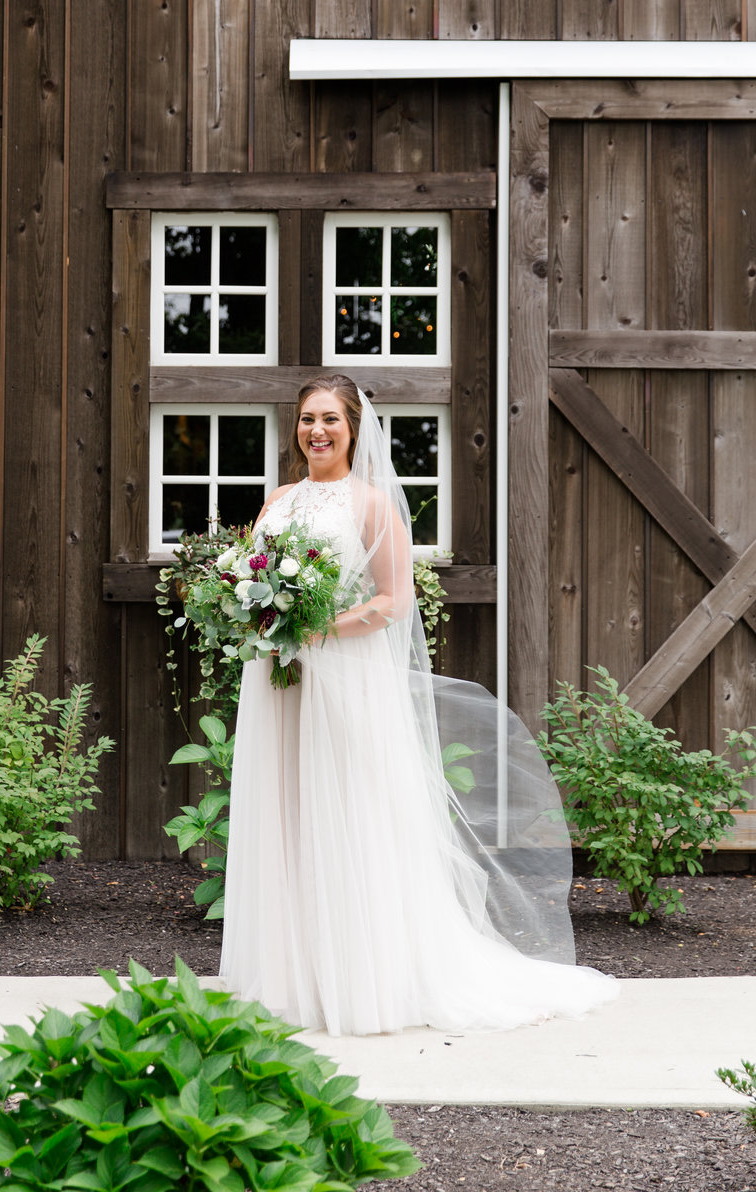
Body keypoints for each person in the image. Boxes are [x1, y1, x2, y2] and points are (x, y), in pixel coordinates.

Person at [219, 373, 617, 1037]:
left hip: (343, 682)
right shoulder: (278, 502)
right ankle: (290, 977)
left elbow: (392, 603)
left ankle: (361, 980)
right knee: (285, 817)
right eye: (308, 419)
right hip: (278, 686)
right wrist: (245, 613)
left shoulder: (372, 506)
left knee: (349, 815)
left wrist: (311, 629)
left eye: (331, 420)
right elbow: (246, 579)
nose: (317, 430)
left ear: (353, 428)